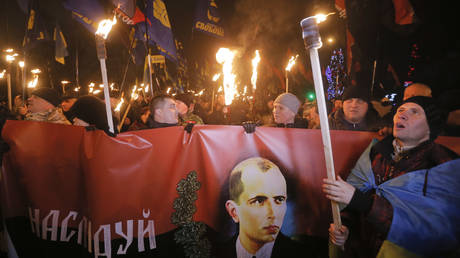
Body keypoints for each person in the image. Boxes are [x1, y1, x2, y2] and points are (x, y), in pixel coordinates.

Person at [322, 96, 459, 257]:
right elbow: (353, 205)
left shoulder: (443, 164)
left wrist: (361, 201)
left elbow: (437, 233)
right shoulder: (375, 153)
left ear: (430, 125)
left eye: (414, 112)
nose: (402, 115)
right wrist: (345, 228)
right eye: (400, 110)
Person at [219, 157, 307, 258]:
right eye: (259, 201)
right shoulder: (212, 253)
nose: (273, 213)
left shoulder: (303, 254)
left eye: (279, 200)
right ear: (234, 211)